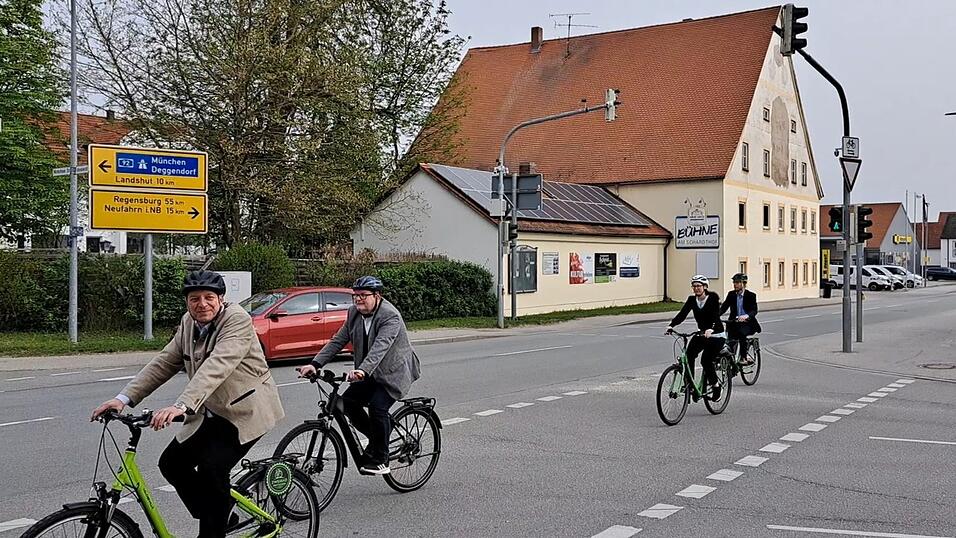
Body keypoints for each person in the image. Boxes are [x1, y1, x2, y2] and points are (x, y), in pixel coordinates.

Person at [91, 271, 285, 538]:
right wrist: (123, 399)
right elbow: (165, 362)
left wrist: (181, 406)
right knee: (172, 463)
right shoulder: (189, 322)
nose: (202, 304)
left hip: (245, 411)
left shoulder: (237, 320)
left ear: (221, 299)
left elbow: (217, 366)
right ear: (186, 302)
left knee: (212, 469)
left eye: (209, 298)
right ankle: (220, 511)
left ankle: (213, 527)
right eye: (194, 299)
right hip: (211, 411)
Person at [297, 276, 421, 475]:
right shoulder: (354, 313)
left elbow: (381, 347)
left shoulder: (390, 316)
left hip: (393, 372)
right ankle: (378, 437)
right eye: (355, 296)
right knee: (347, 403)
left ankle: (382, 458)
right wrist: (315, 363)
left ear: (377, 296)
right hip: (368, 371)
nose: (358, 300)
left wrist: (362, 370)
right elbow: (339, 340)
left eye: (363, 296)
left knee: (377, 407)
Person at [665, 275, 726, 400]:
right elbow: (682, 314)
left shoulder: (713, 298)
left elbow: (715, 314)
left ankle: (716, 386)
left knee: (706, 360)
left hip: (716, 335)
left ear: (705, 287)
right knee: (689, 355)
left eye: (699, 286)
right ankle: (690, 385)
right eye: (694, 286)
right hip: (701, 334)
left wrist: (712, 328)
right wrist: (671, 325)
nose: (696, 288)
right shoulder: (692, 300)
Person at [719, 272, 761, 365]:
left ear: (743, 284)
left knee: (741, 334)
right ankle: (730, 362)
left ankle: (744, 358)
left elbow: (754, 310)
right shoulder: (731, 294)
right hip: (734, 322)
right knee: (729, 340)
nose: (735, 284)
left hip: (747, 323)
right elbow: (724, 307)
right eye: (734, 282)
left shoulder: (751, 295)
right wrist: (715, 316)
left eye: (737, 282)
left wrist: (746, 316)